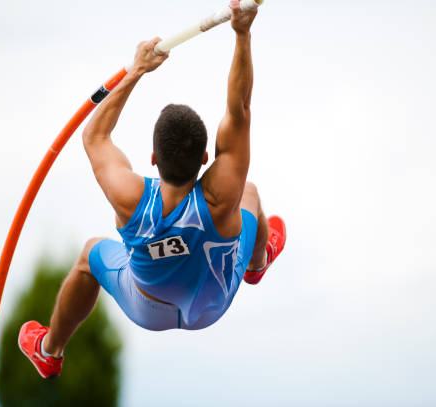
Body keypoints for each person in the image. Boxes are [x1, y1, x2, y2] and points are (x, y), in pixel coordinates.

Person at [18, 0, 286, 379]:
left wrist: (137, 70)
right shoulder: (220, 193)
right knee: (251, 194)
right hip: (213, 303)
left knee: (90, 255)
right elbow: (239, 109)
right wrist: (242, 35)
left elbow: (94, 137)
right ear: (207, 156)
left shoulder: (131, 198)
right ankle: (257, 264)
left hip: (146, 306)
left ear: (153, 159)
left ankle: (50, 350)